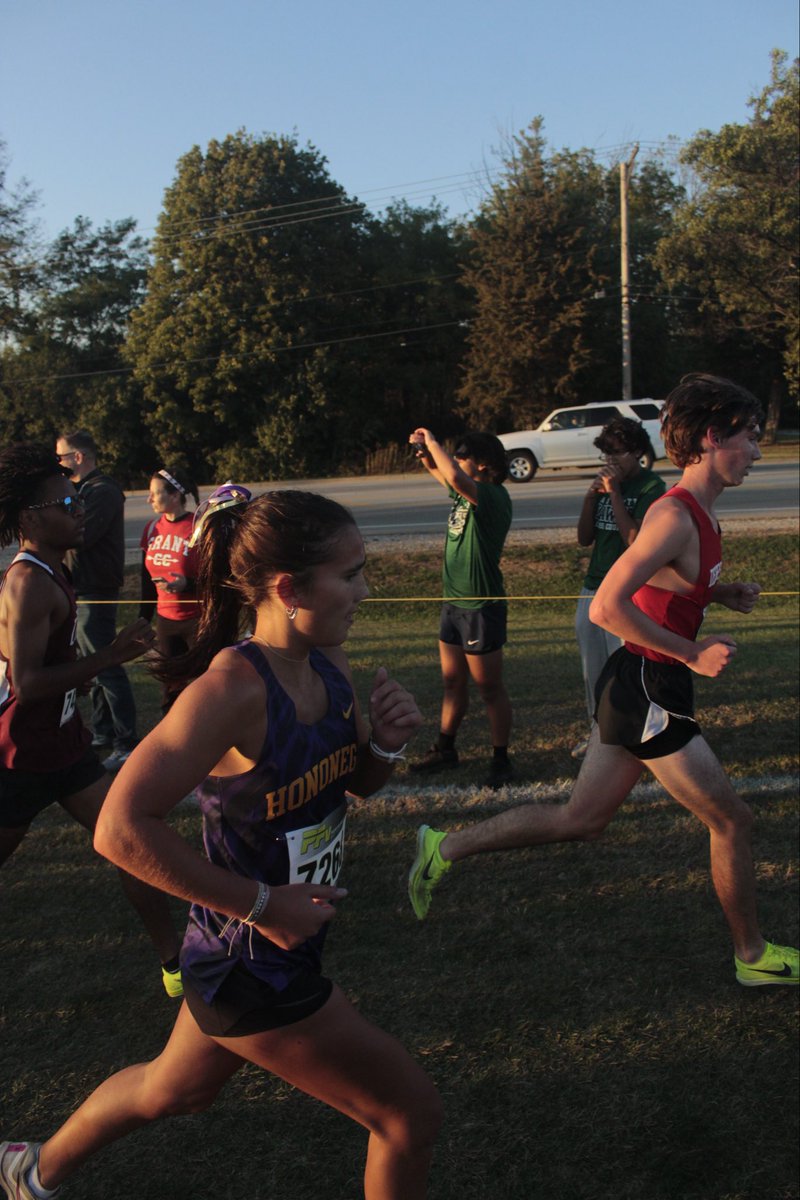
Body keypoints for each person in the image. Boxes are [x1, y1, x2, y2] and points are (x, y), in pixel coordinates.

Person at [1, 485, 440, 1200]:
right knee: (406, 1113)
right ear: (290, 587)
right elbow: (118, 828)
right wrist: (266, 905)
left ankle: (31, 1172)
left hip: (243, 946)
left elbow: (350, 782)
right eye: (352, 574)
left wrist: (384, 748)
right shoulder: (232, 689)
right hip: (251, 963)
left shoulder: (329, 663)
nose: (366, 589)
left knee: (171, 1091)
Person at [408, 374, 799, 989]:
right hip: (648, 683)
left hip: (641, 681)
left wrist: (717, 593)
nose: (756, 450)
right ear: (710, 437)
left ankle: (441, 847)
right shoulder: (675, 514)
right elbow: (607, 606)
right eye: (749, 437)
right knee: (732, 821)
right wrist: (692, 652)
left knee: (581, 819)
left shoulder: (696, 512)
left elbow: (658, 582)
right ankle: (752, 957)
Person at [0, 442, 182, 998]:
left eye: (78, 498)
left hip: (64, 746)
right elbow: (27, 685)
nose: (78, 510)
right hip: (18, 758)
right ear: (32, 519)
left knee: (128, 838)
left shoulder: (53, 570)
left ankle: (177, 965)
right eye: (65, 502)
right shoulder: (28, 581)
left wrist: (84, 673)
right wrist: (108, 657)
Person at [407, 428, 514, 789]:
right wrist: (425, 455)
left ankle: (501, 759)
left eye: (463, 454)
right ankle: (445, 748)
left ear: (483, 465)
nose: (457, 459)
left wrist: (436, 442)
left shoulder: (494, 497)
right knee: (452, 681)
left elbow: (451, 473)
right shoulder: (466, 492)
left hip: (480, 607)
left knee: (489, 688)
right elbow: (444, 475)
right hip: (452, 603)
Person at [572, 417, 666, 758]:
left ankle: (634, 738)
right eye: (606, 457)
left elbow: (635, 541)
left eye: (617, 455)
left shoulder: (651, 488)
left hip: (627, 593)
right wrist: (589, 498)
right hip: (593, 588)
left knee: (624, 669)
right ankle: (598, 736)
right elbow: (584, 539)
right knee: (593, 670)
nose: (610, 463)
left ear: (638, 452)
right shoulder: (604, 486)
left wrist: (613, 495)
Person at [55, 430, 138, 772]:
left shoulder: (102, 490)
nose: (57, 464)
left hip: (96, 588)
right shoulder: (84, 489)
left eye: (60, 457)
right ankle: (104, 732)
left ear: (79, 457)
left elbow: (82, 535)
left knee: (107, 664)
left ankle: (127, 741)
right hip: (83, 587)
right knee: (95, 661)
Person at [139, 467, 201, 713]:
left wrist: (188, 584)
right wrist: (143, 623)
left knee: (205, 685)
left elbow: (216, 578)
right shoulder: (151, 529)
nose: (149, 499)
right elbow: (147, 584)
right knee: (171, 689)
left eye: (155, 493)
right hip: (166, 622)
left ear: (175, 496)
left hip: (197, 620)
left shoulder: (197, 528)